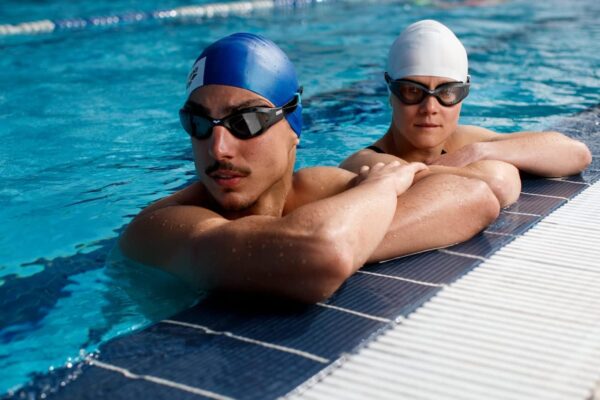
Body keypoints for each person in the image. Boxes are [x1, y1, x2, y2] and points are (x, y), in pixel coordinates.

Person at [119, 33, 500, 303]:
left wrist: (338, 236)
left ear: (293, 129)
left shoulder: (316, 188)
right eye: (199, 125)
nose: (218, 148)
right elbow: (318, 253)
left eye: (246, 122)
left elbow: (476, 195)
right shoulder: (161, 228)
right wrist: (377, 193)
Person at [340, 20, 592, 207]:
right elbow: (497, 183)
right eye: (411, 91)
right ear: (391, 92)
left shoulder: (463, 142)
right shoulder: (367, 164)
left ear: (463, 94)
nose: (430, 108)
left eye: (447, 92)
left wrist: (480, 151)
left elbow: (576, 153)